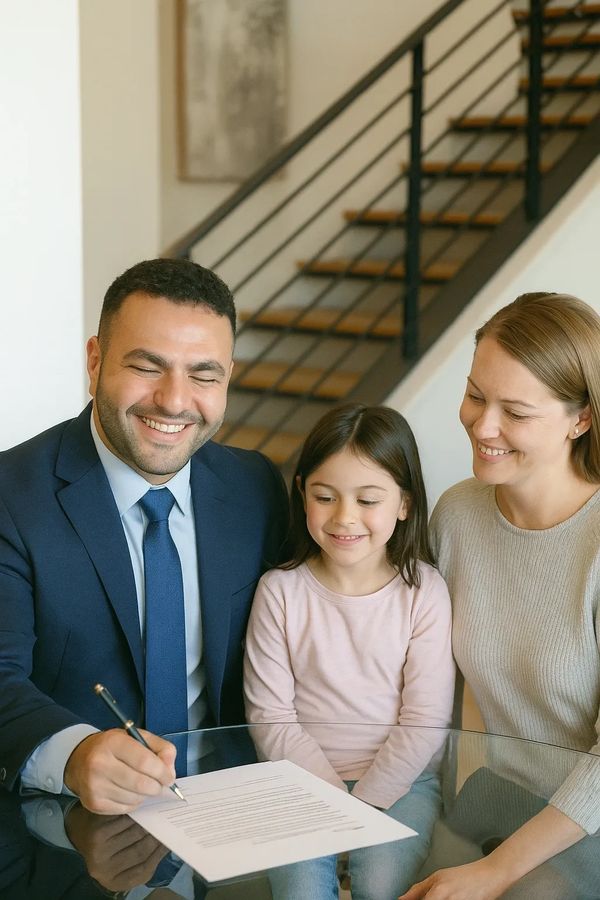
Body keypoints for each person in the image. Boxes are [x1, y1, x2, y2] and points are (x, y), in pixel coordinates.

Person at [0, 257, 288, 816]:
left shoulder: (256, 487)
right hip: (66, 828)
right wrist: (75, 754)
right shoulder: (10, 497)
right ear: (95, 359)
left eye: (204, 374)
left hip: (231, 813)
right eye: (148, 367)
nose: (175, 401)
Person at [403, 292, 600, 899]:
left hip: (583, 823)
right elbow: (419, 670)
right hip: (494, 795)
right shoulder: (458, 515)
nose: (482, 427)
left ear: (581, 419)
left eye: (515, 411)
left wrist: (494, 871)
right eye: (475, 395)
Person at [244, 403, 455, 900]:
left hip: (404, 785)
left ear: (403, 503)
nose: (344, 518)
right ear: (302, 492)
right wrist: (333, 802)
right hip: (297, 784)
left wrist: (366, 804)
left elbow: (424, 717)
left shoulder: (423, 591)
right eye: (325, 496)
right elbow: (270, 716)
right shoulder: (280, 591)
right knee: (300, 890)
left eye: (368, 500)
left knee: (381, 884)